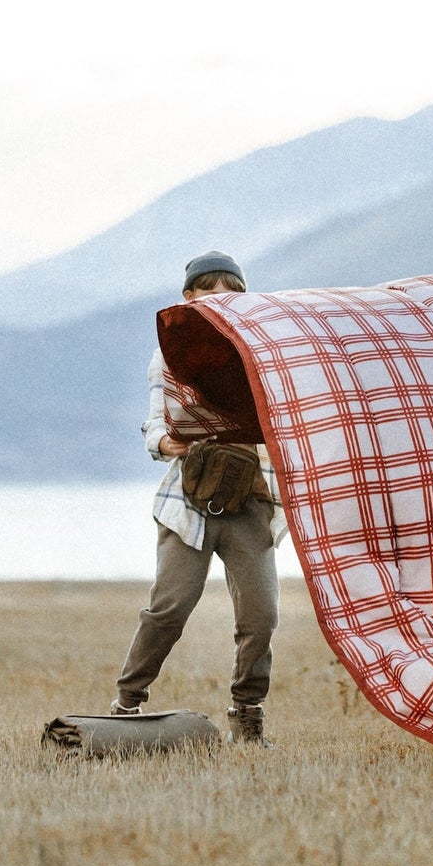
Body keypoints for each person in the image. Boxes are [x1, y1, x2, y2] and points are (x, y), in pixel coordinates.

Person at [112, 250, 287, 744]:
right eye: (209, 289)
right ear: (188, 297)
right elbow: (155, 427)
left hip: (251, 498)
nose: (221, 297)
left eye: (232, 290)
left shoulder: (263, 350)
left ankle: (247, 717)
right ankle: (126, 705)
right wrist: (169, 443)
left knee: (261, 616)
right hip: (189, 497)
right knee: (170, 608)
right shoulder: (169, 355)